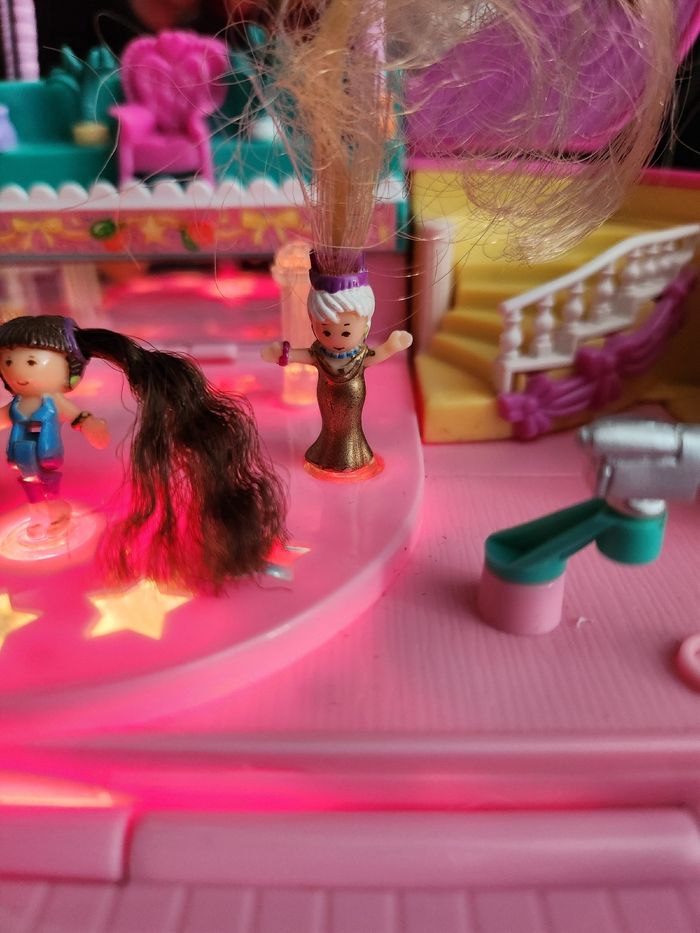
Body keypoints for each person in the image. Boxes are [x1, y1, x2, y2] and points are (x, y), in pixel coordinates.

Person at [0, 314, 286, 590]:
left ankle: (53, 512)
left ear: (68, 372)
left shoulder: (52, 403)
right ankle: (41, 514)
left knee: (45, 482)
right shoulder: (17, 405)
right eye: (8, 361)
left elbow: (77, 416)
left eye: (30, 361)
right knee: (30, 483)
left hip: (46, 455)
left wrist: (91, 425)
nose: (17, 370)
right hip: (21, 456)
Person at [262, 251, 412, 476]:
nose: (337, 339)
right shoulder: (319, 354)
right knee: (331, 430)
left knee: (351, 432)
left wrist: (391, 346)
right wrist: (283, 355)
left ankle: (355, 454)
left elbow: (376, 355)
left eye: (346, 332)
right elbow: (300, 356)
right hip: (327, 403)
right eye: (326, 331)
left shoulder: (360, 356)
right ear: (313, 326)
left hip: (353, 406)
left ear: (366, 327)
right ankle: (326, 451)